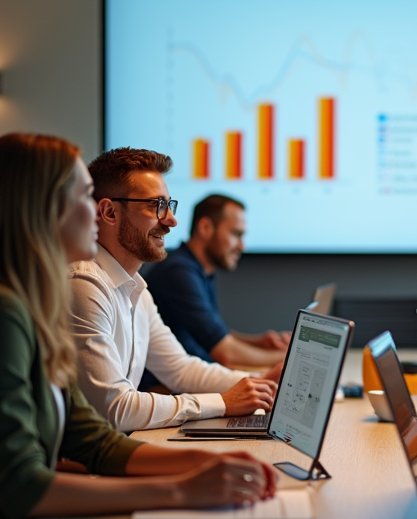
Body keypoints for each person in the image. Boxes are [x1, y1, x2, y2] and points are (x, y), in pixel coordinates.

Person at [0, 134, 276, 519]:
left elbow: (91, 439)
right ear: (40, 212)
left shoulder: (30, 303)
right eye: (84, 197)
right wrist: (182, 490)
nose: (96, 210)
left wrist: (207, 463)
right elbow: (23, 487)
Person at [69, 148, 279, 432]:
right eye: (155, 205)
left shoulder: (137, 291)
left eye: (169, 205)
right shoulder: (85, 284)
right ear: (108, 212)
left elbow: (181, 369)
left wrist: (260, 383)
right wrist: (222, 403)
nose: (170, 220)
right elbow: (115, 409)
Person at [145, 194, 291, 371]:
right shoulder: (178, 272)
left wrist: (258, 342)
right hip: (166, 389)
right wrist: (290, 356)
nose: (242, 246)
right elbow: (226, 353)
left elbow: (215, 335)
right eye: (236, 234)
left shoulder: (200, 270)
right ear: (206, 227)